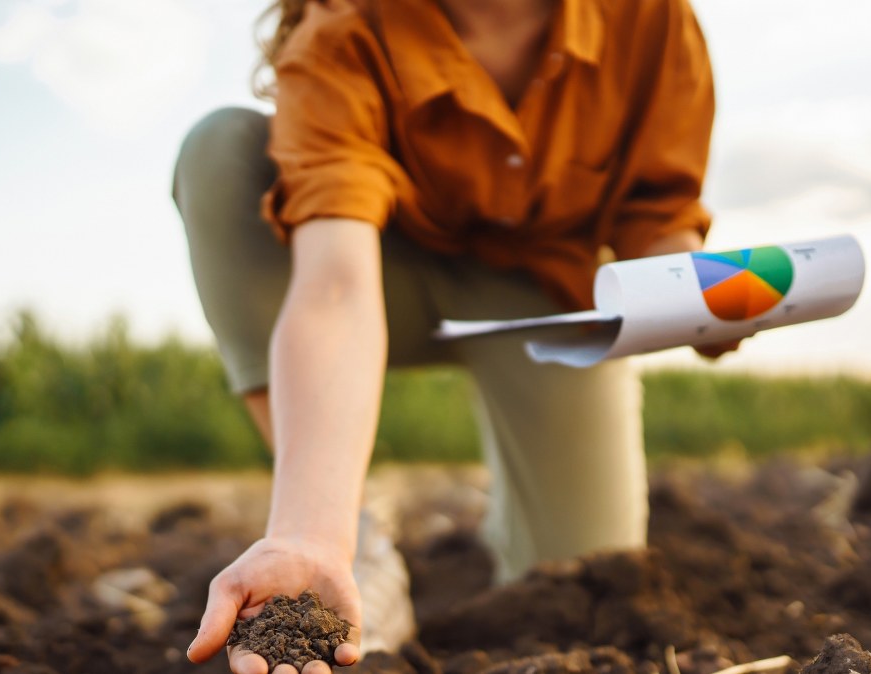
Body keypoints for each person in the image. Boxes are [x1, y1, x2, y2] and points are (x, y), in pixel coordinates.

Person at [173, 0, 735, 670]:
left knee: (579, 583)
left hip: (545, 297)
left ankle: (504, 527)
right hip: (380, 271)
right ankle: (347, 524)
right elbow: (335, 287)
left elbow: (658, 213)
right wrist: (309, 535)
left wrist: (699, 300)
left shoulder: (650, 20)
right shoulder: (346, 26)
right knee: (222, 153)